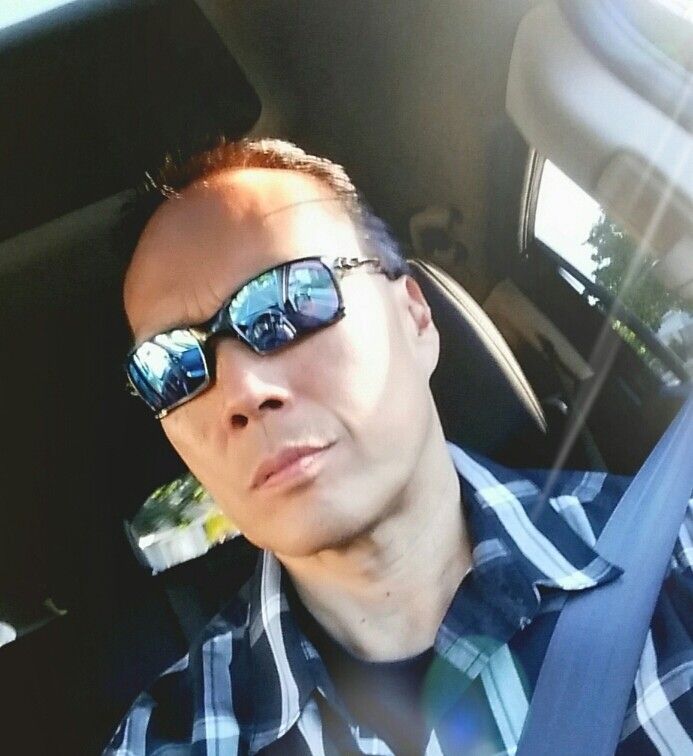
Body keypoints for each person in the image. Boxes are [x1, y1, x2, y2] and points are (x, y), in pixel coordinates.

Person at [107, 138, 691, 755]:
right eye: (171, 367)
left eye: (288, 302)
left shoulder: (674, 551)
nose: (243, 393)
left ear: (414, 316)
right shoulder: (165, 741)